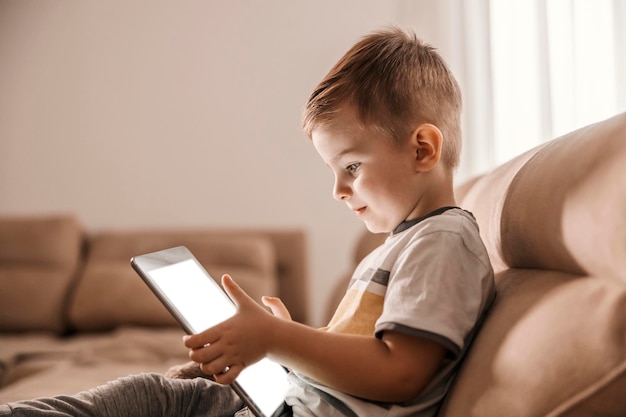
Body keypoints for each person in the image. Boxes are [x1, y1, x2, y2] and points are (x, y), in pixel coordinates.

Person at [0, 26, 494, 417]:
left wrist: (281, 340)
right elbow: (364, 358)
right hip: (287, 403)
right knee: (146, 393)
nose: (339, 191)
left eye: (351, 167)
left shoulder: (443, 239)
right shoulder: (410, 241)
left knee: (146, 400)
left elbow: (400, 373)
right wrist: (288, 342)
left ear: (423, 149)